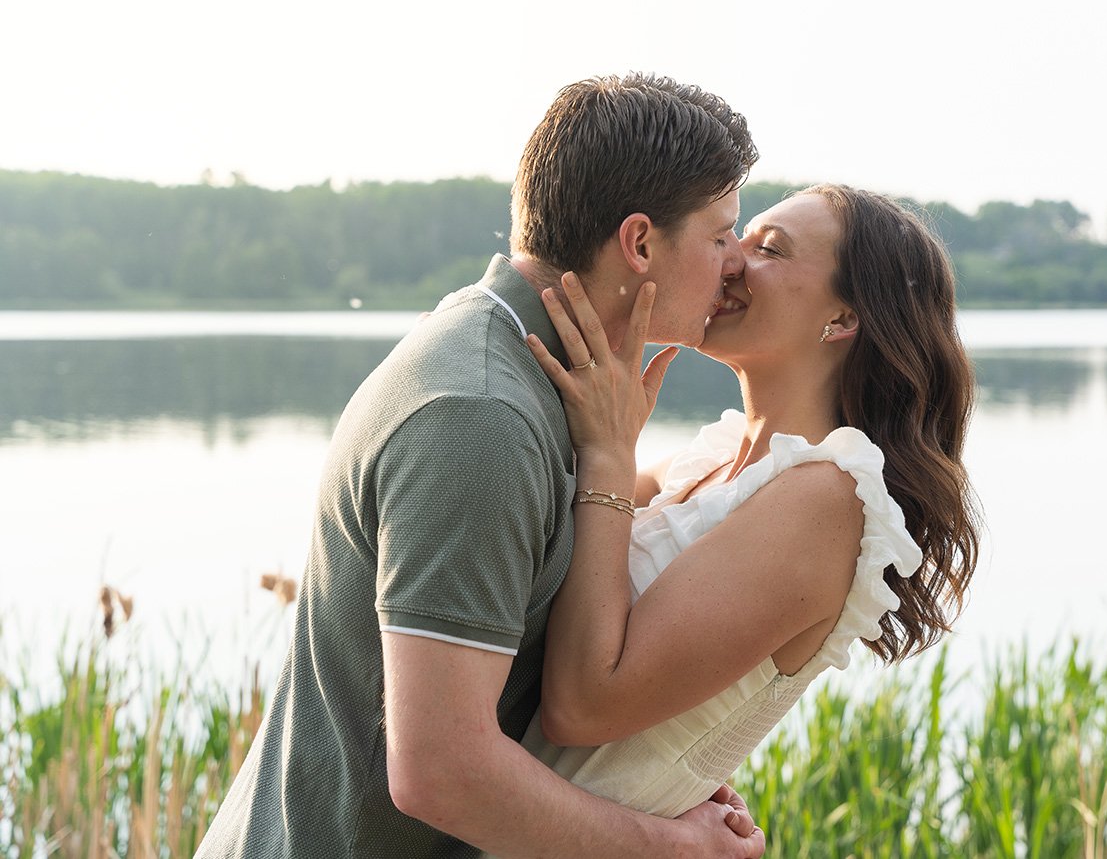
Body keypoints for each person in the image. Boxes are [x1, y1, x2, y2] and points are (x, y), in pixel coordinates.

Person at [196, 73, 767, 858]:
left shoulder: (532, 373)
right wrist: (674, 847)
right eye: (721, 233)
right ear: (639, 244)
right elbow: (439, 771)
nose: (736, 263)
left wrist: (653, 776)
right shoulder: (480, 415)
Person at [514, 184, 980, 820]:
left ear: (843, 319)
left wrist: (610, 452)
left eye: (771, 250)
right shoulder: (715, 459)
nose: (729, 259)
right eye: (735, 238)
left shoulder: (826, 497)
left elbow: (584, 706)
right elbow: (550, 521)